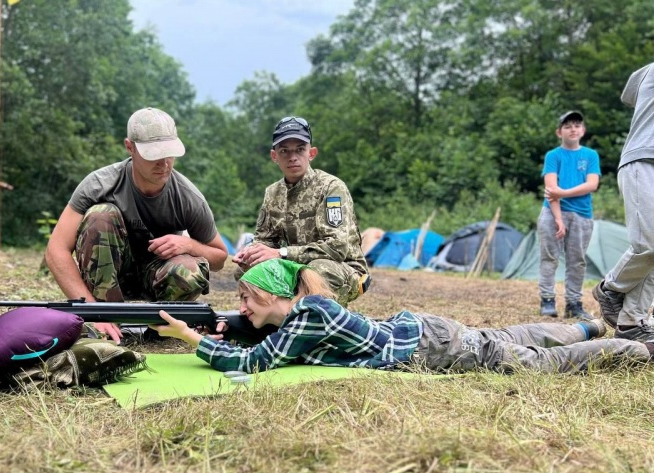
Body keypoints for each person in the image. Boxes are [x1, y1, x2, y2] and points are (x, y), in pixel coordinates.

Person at [152, 259, 651, 374]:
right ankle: (586, 324)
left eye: (247, 299)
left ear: (276, 295)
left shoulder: (307, 313)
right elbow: (268, 339)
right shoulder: (302, 313)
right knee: (504, 334)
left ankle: (635, 348)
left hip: (434, 348)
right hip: (422, 330)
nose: (240, 307)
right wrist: (233, 328)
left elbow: (257, 364)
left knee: (533, 364)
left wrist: (192, 339)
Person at [45, 107, 228, 343]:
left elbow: (220, 258)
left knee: (190, 268)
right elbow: (55, 251)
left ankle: (162, 328)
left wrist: (188, 244)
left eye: (169, 153)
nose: (164, 163)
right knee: (100, 215)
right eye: (153, 154)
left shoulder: (187, 196)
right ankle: (107, 321)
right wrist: (90, 311)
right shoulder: (99, 184)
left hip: (158, 276)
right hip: (107, 277)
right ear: (129, 147)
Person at [231, 116, 370, 306]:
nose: (292, 157)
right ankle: (271, 321)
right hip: (294, 264)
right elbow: (264, 239)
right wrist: (250, 253)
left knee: (314, 273)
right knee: (245, 270)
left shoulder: (330, 187)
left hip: (342, 267)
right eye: (284, 151)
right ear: (274, 156)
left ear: (311, 153)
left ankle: (320, 323)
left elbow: (338, 247)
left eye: (300, 149)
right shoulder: (272, 193)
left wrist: (282, 253)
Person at [593, 62, 654, 350]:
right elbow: (630, 91)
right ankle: (609, 288)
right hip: (643, 160)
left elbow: (630, 93)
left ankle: (632, 323)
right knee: (649, 243)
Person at [537, 110, 601, 319]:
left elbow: (592, 184)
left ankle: (574, 304)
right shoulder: (553, 156)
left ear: (583, 130)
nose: (572, 129)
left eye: (576, 125)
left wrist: (563, 193)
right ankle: (547, 300)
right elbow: (550, 189)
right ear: (559, 132)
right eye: (567, 126)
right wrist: (557, 218)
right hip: (552, 212)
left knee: (577, 260)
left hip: (582, 215)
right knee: (549, 258)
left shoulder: (590, 155)